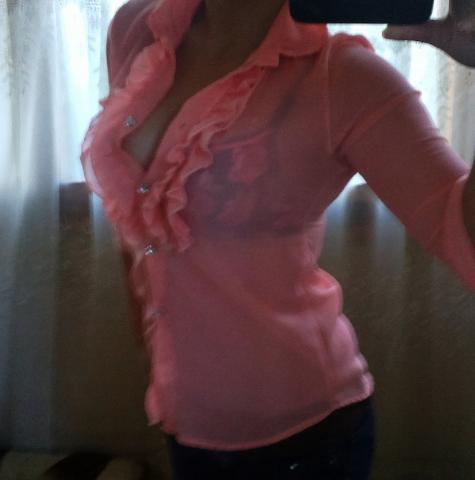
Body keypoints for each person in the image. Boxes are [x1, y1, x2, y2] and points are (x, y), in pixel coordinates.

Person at [80, 0, 475, 478]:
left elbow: (458, 230)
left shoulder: (343, 78)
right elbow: (138, 213)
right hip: (184, 418)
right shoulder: (137, 29)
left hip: (305, 439)